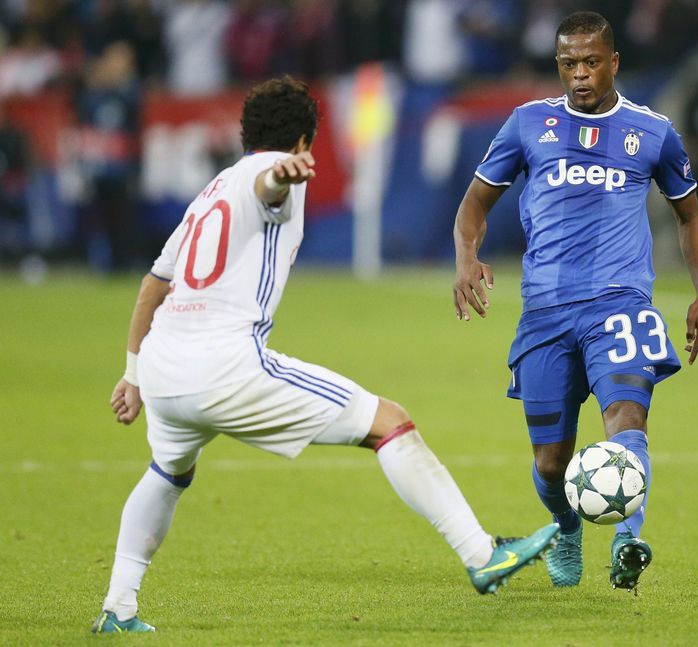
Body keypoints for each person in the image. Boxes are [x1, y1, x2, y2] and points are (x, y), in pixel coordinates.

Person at [91, 76, 559, 634]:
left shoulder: (212, 190)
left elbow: (153, 283)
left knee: (166, 473)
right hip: (223, 366)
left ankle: (118, 607)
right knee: (389, 422)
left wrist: (133, 373)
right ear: (304, 142)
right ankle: (482, 555)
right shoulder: (274, 176)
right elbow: (268, 189)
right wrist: (278, 176)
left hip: (165, 366)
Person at [452, 11, 698, 592]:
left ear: (614, 62)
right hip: (545, 311)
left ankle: (628, 542)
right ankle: (566, 526)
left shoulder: (653, 131)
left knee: (627, 421)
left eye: (591, 62)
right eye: (569, 63)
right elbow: (474, 204)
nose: (580, 74)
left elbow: (690, 217)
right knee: (551, 461)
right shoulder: (527, 125)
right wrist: (467, 258)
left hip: (620, 303)